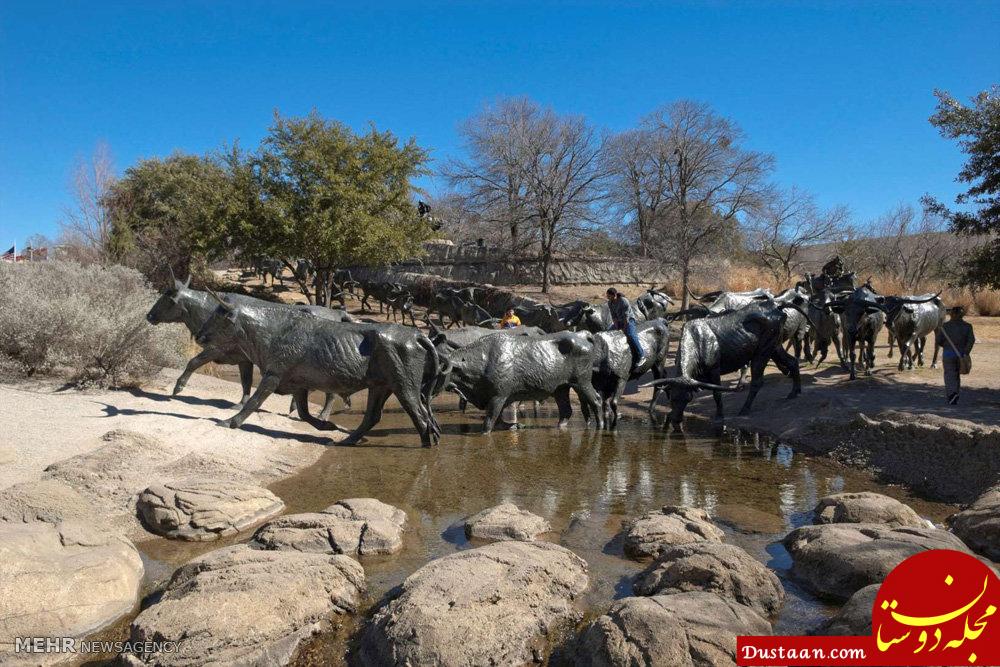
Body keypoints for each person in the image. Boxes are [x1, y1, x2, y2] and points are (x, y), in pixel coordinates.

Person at [936, 306, 975, 405]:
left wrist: (946, 345)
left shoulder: (945, 327)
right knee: (957, 375)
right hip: (962, 355)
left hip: (948, 354)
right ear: (962, 315)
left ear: (952, 314)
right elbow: (971, 341)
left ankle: (952, 395)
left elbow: (938, 341)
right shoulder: (968, 326)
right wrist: (966, 352)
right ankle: (955, 393)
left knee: (949, 375)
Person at [606, 287, 646, 367]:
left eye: (608, 296)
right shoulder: (610, 303)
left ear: (614, 295)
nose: (607, 297)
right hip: (619, 321)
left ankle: (641, 355)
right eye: (607, 296)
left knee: (631, 335)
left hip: (629, 320)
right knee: (608, 333)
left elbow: (626, 317)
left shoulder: (623, 301)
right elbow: (613, 316)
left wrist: (623, 329)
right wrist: (616, 327)